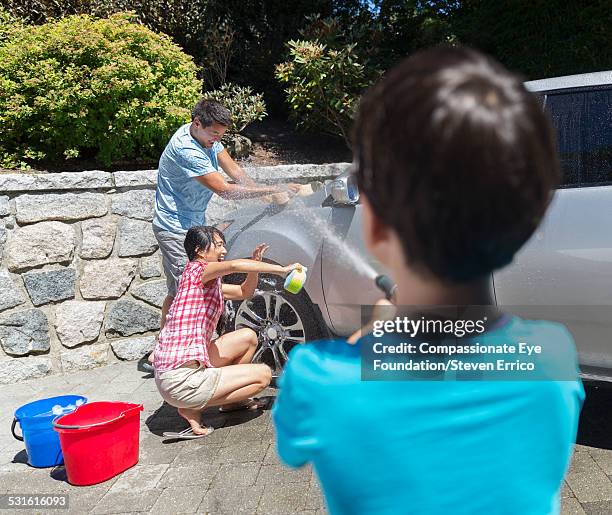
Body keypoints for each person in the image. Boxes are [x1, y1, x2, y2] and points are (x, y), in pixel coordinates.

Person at [272, 46, 585, 514]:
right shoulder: (554, 358)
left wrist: (375, 335)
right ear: (528, 222)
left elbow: (294, 445)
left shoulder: (317, 379)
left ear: (376, 225)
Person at [147, 99, 299, 371]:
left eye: (221, 134)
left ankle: (167, 348)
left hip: (194, 225)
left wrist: (267, 198)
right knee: (187, 290)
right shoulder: (185, 149)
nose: (217, 139)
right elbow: (225, 190)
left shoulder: (208, 139)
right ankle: (172, 354)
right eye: (214, 134)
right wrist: (271, 190)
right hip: (173, 227)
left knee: (180, 288)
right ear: (196, 124)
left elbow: (236, 172)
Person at [154, 225, 304, 437]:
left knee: (248, 337)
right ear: (199, 250)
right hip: (180, 378)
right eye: (218, 245)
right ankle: (191, 407)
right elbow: (234, 265)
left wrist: (255, 266)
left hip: (184, 366)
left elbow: (245, 291)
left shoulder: (206, 282)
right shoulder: (197, 270)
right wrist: (282, 270)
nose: (223, 250)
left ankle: (234, 402)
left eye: (223, 245)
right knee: (262, 375)